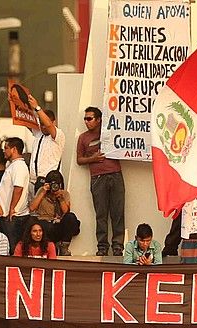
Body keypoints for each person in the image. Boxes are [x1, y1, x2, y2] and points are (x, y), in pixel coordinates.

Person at [76, 106, 125, 257]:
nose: (86, 122)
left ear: (99, 120)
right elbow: (79, 159)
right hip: (97, 178)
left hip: (115, 175)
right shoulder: (83, 138)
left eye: (89, 118)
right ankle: (102, 246)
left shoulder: (110, 132)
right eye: (85, 118)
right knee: (101, 214)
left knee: (118, 213)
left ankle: (118, 246)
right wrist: (93, 159)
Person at [28, 170, 78, 255]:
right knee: (34, 222)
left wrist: (60, 198)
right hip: (45, 223)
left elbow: (66, 212)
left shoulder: (64, 193)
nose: (54, 187)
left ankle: (64, 247)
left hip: (58, 224)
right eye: (52, 184)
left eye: (56, 185)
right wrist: (43, 191)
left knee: (71, 217)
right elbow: (32, 208)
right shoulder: (42, 191)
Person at [22, 93, 64, 184]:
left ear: (54, 122)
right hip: (34, 182)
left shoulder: (58, 135)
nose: (43, 127)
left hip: (49, 182)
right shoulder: (39, 133)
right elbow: (24, 120)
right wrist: (15, 102)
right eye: (41, 124)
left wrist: (37, 107)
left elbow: (48, 125)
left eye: (45, 124)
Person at [0, 137, 31, 242]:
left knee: (13, 248)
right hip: (7, 215)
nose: (4, 151)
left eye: (6, 148)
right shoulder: (12, 165)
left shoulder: (19, 166)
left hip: (14, 216)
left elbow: (18, 188)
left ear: (14, 149)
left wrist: (12, 209)